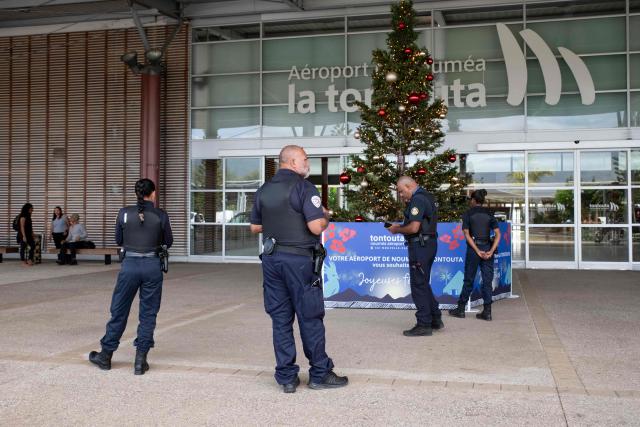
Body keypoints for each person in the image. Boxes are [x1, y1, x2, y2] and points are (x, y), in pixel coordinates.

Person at [250, 145, 348, 393]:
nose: (308, 163)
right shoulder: (304, 187)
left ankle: (286, 377)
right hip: (300, 263)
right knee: (310, 316)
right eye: (305, 159)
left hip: (272, 261)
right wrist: (325, 215)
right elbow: (316, 227)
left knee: (280, 319)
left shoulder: (263, 190)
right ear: (292, 162)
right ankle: (319, 374)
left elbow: (255, 227)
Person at [89, 178, 173, 375]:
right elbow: (168, 241)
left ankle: (106, 355)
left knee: (119, 310)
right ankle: (140, 360)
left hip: (129, 266)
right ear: (153, 193)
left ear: (136, 193)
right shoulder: (161, 215)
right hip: (152, 266)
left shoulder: (124, 213)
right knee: (148, 313)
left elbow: (118, 239)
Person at [388, 176, 443, 337]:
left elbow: (413, 228)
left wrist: (396, 229)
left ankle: (424, 324)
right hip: (428, 244)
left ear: (409, 186)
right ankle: (435, 318)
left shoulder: (418, 200)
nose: (401, 195)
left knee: (418, 285)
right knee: (423, 283)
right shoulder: (427, 196)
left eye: (401, 191)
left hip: (420, 246)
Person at [449, 189, 501, 321]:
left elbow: (467, 235)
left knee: (468, 279)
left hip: (474, 250)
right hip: (488, 248)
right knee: (487, 280)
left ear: (473, 200)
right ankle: (487, 312)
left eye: (470, 199)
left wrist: (477, 251)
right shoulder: (489, 213)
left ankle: (461, 309)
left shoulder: (468, 214)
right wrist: (490, 250)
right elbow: (498, 234)